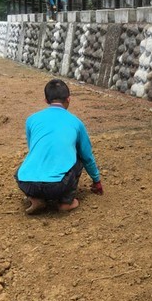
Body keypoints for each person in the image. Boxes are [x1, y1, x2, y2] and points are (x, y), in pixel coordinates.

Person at [15, 79, 103, 214]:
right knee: (79, 156)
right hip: (58, 185)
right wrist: (96, 181)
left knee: (26, 164)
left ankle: (35, 199)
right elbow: (87, 156)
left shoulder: (31, 119)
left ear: (46, 100)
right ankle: (66, 203)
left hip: (27, 183)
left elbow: (32, 147)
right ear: (69, 99)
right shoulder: (76, 122)